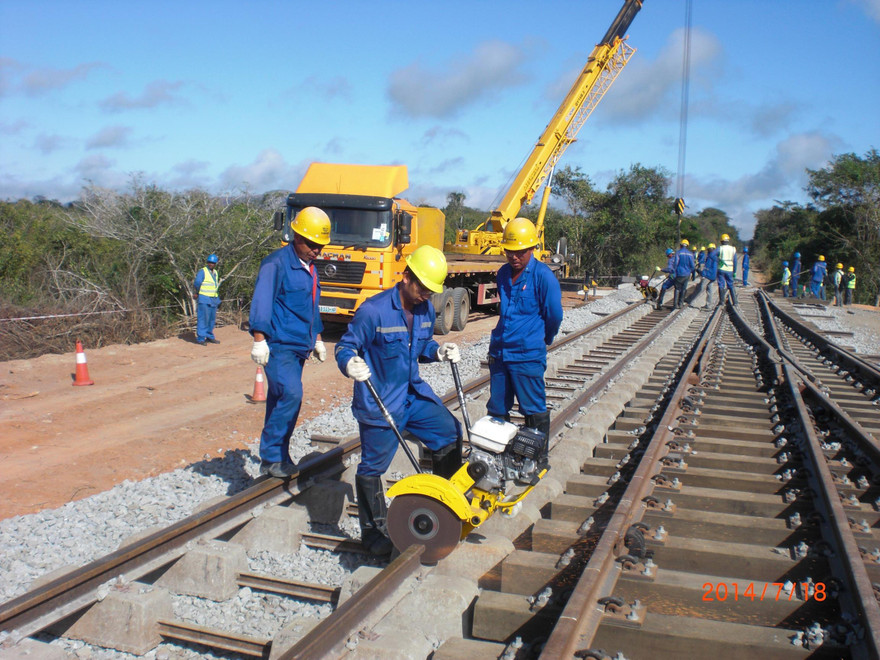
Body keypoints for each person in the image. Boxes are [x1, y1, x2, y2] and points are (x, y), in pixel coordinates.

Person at [335, 245, 463, 556]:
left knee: (450, 430)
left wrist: (438, 351)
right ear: (406, 276)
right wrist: (349, 363)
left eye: (431, 290)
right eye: (422, 287)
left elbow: (423, 344)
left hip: (412, 395)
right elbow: (345, 347)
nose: (425, 295)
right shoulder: (373, 311)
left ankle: (445, 504)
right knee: (372, 467)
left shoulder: (424, 310)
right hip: (380, 401)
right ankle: (374, 531)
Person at [249, 207, 331, 479]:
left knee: (279, 400)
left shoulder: (311, 268)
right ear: (296, 236)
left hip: (300, 347)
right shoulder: (276, 264)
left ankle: (279, 456)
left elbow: (311, 306)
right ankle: (271, 457)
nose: (315, 250)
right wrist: (259, 340)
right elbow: (262, 300)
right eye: (311, 244)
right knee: (292, 395)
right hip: (279, 345)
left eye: (319, 246)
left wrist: (317, 338)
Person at [487, 217, 563, 448]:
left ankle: (536, 460)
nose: (514, 257)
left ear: (531, 248)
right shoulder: (502, 274)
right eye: (509, 251)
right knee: (497, 408)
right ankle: (498, 455)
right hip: (500, 352)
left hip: (526, 354)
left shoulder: (543, 276)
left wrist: (542, 340)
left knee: (532, 408)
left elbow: (554, 315)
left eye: (520, 251)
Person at [193, 254, 221, 345]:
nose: (211, 264)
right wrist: (197, 292)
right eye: (209, 262)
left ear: (215, 263)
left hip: (213, 299)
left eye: (212, 263)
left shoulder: (215, 272)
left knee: (211, 319)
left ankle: (209, 336)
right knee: (203, 319)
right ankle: (201, 338)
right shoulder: (203, 271)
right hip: (204, 298)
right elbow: (197, 283)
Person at [672, 239, 695, 309]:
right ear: (687, 245)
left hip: (679, 273)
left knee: (677, 288)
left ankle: (675, 305)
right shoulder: (690, 254)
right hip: (687, 274)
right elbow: (692, 266)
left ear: (681, 245)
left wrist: (673, 272)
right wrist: (692, 274)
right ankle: (681, 304)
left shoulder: (678, 253)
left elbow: (675, 263)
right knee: (684, 289)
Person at [717, 234, 738, 306]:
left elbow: (713, 256)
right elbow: (735, 261)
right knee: (731, 285)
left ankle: (722, 302)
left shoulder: (720, 248)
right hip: (730, 270)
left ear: (721, 241)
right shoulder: (733, 249)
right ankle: (735, 302)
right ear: (728, 240)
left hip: (721, 270)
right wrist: (734, 271)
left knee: (721, 285)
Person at [699, 243, 718, 309]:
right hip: (713, 276)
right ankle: (709, 305)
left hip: (708, 275)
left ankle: (690, 299)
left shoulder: (710, 256)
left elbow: (707, 267)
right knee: (710, 290)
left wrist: (703, 275)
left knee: (700, 288)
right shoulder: (716, 257)